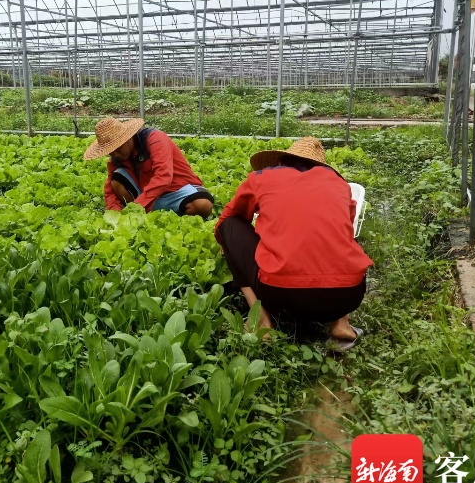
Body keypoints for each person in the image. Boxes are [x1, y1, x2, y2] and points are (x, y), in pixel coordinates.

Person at [214, 137, 373, 349]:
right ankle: (341, 324)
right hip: (348, 295)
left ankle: (261, 321)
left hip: (281, 296)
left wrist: (236, 250)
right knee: (341, 241)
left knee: (229, 227)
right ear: (320, 166)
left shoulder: (262, 178)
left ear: (281, 161)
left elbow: (229, 219)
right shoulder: (339, 184)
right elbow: (346, 229)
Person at [84, 117, 214, 217]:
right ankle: (146, 215)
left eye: (117, 148)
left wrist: (137, 206)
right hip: (147, 196)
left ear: (127, 138)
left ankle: (148, 213)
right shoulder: (116, 159)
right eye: (110, 151)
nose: (115, 154)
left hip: (178, 190)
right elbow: (109, 191)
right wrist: (115, 212)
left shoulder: (154, 138)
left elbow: (163, 177)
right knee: (116, 178)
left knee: (203, 205)